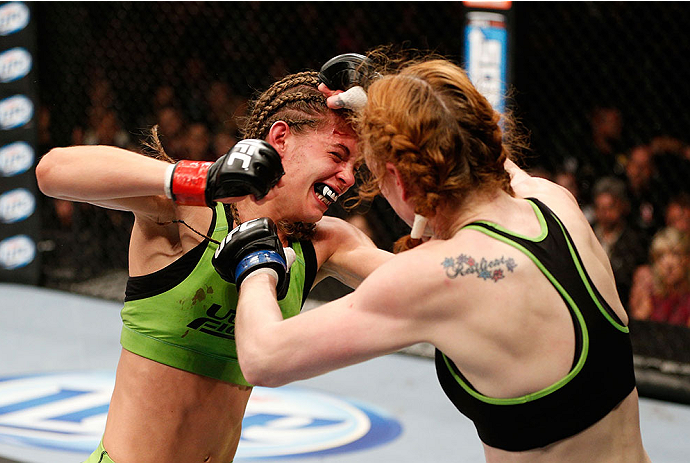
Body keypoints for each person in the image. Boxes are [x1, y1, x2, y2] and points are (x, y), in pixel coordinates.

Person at [227, 56, 651, 462]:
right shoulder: (553, 203)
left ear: (399, 179)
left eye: (373, 172)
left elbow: (265, 356)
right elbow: (470, 140)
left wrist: (258, 261)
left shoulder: (439, 275)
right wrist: (385, 104)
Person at [36, 69, 392, 463]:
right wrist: (199, 177)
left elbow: (422, 280)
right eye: (337, 155)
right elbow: (52, 172)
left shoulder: (328, 242)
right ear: (280, 139)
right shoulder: (189, 213)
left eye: (354, 168)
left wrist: (409, 127)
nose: (346, 178)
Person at [590, 176, 648, 308]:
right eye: (600, 208)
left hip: (620, 301)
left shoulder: (634, 240)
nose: (605, 213)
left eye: (610, 207)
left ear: (623, 206)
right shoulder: (587, 232)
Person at [629, 227, 690, 326]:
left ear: (687, 259)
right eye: (661, 256)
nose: (669, 264)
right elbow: (636, 332)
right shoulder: (648, 289)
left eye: (677, 254)